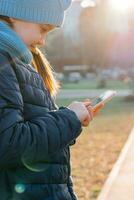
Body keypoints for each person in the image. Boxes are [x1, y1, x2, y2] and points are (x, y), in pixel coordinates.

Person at [0, 0, 103, 200]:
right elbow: (9, 143)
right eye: (43, 29)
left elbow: (28, 126)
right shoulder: (3, 61)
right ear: (15, 13)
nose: (42, 41)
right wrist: (68, 119)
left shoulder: (16, 61)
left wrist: (71, 120)